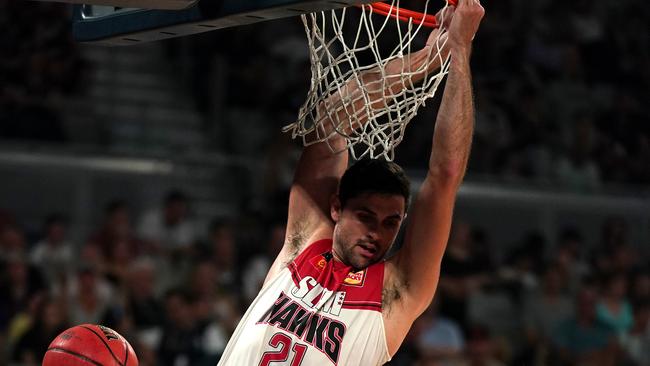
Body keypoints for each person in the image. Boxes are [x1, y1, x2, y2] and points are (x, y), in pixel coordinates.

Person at [218, 0, 485, 364]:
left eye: (391, 222)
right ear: (336, 208)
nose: (377, 233)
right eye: (366, 217)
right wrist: (426, 59)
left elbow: (446, 174)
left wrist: (459, 50)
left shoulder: (395, 293)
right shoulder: (304, 243)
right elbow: (333, 120)